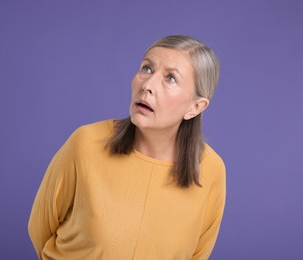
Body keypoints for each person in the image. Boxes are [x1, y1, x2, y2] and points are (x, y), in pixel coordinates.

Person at [28, 35, 226, 260]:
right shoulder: (85, 143)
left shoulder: (211, 170)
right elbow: (40, 230)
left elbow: (197, 255)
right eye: (147, 68)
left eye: (170, 78)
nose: (147, 85)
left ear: (195, 107)